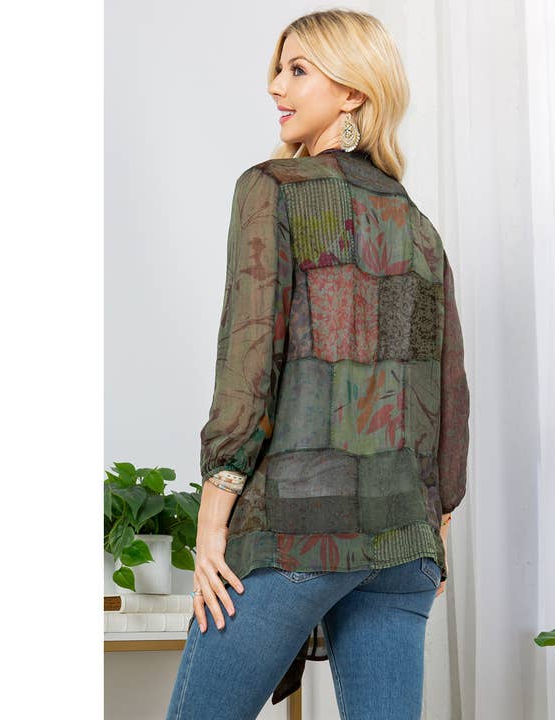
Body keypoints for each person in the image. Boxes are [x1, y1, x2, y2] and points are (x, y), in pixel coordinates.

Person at [166, 8, 470, 720]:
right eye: (278, 69)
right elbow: (446, 387)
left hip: (298, 531)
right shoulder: (419, 226)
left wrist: (212, 526)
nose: (276, 86)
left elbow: (249, 359)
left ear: (354, 91)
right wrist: (435, 524)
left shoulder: (271, 188)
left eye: (298, 69)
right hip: (405, 544)